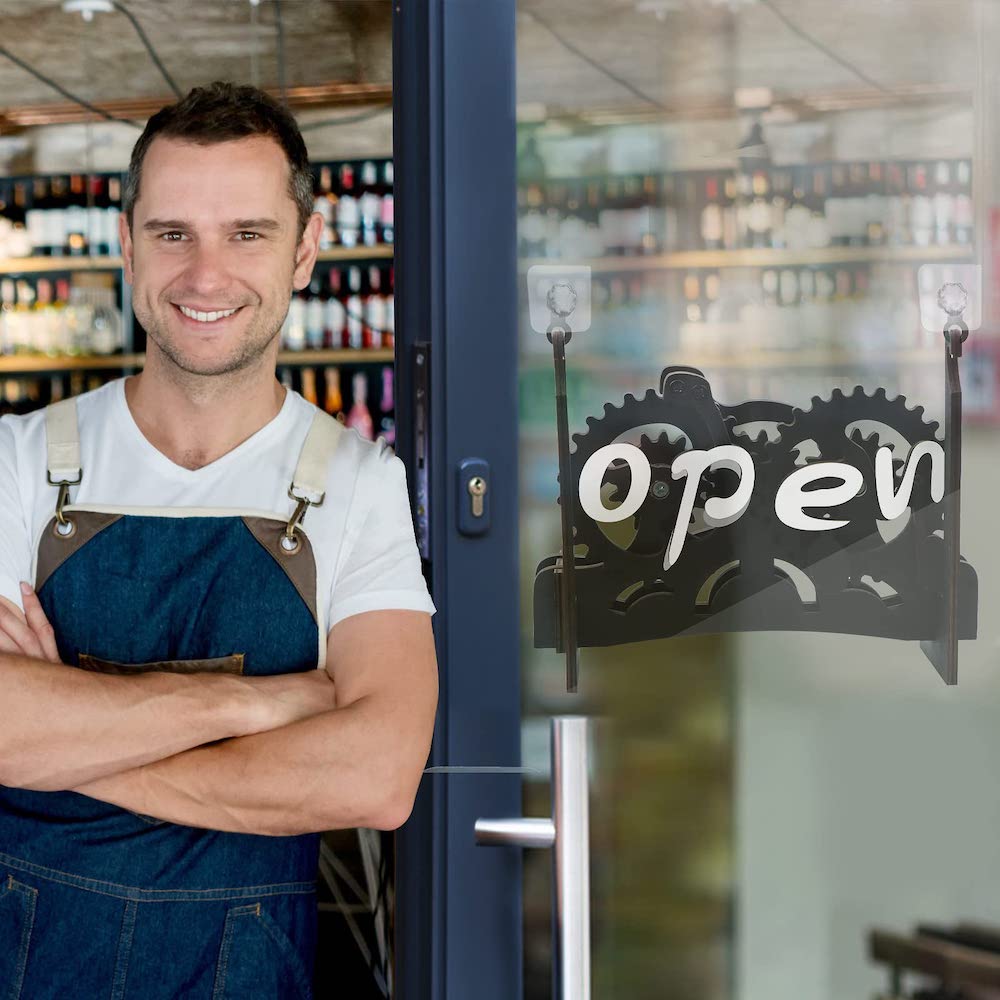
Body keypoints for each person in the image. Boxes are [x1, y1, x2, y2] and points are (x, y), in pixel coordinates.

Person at [0, 81, 438, 999]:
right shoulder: (19, 461)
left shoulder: (359, 485)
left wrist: (63, 743)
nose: (205, 276)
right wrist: (258, 706)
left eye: (246, 233)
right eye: (172, 234)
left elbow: (377, 774)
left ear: (307, 251)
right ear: (127, 246)